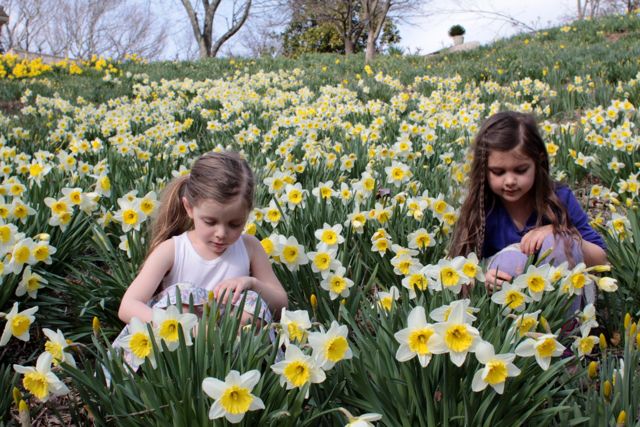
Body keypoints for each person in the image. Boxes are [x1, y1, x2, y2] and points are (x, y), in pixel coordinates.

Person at [449, 111, 607, 305]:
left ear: (538, 161)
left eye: (520, 170)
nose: (510, 181)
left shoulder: (559, 199)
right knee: (509, 264)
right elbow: (462, 270)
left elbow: (601, 259)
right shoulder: (483, 209)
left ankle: (567, 332)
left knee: (557, 243)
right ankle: (518, 333)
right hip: (506, 308)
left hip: (560, 304)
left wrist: (558, 232)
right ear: (484, 169)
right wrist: (484, 279)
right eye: (498, 172)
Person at [118, 151, 288, 329]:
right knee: (181, 305)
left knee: (250, 309)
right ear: (189, 208)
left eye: (235, 224)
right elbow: (128, 306)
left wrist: (251, 283)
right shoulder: (173, 250)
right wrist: (180, 326)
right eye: (210, 222)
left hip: (231, 344)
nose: (221, 233)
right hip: (181, 341)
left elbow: (281, 304)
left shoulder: (250, 247)